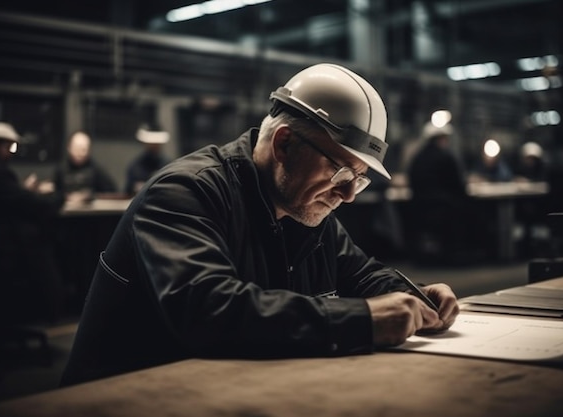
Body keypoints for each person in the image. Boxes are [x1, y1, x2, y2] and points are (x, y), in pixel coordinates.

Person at [60, 63, 460, 386]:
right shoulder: (185, 193)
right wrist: (362, 320)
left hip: (220, 388)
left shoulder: (307, 206)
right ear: (284, 144)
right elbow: (211, 312)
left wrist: (414, 297)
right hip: (126, 399)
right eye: (340, 173)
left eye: (359, 178)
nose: (349, 194)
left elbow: (359, 273)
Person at [0, 122, 65, 346]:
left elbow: (12, 200)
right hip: (3, 254)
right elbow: (40, 208)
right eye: (9, 148)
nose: (11, 154)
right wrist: (57, 196)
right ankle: (54, 307)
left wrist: (23, 191)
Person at [406, 122, 483, 263]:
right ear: (441, 139)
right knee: (476, 210)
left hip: (421, 209)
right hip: (445, 208)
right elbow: (459, 186)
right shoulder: (446, 157)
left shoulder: (417, 158)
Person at [54, 130, 117, 204]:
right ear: (69, 148)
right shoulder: (61, 170)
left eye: (84, 149)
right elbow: (54, 193)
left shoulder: (96, 170)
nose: (80, 153)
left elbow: (112, 192)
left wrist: (90, 196)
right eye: (77, 148)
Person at [124, 125, 170, 196]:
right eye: (152, 143)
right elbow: (129, 191)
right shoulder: (136, 167)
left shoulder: (168, 165)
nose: (154, 145)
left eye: (157, 142)